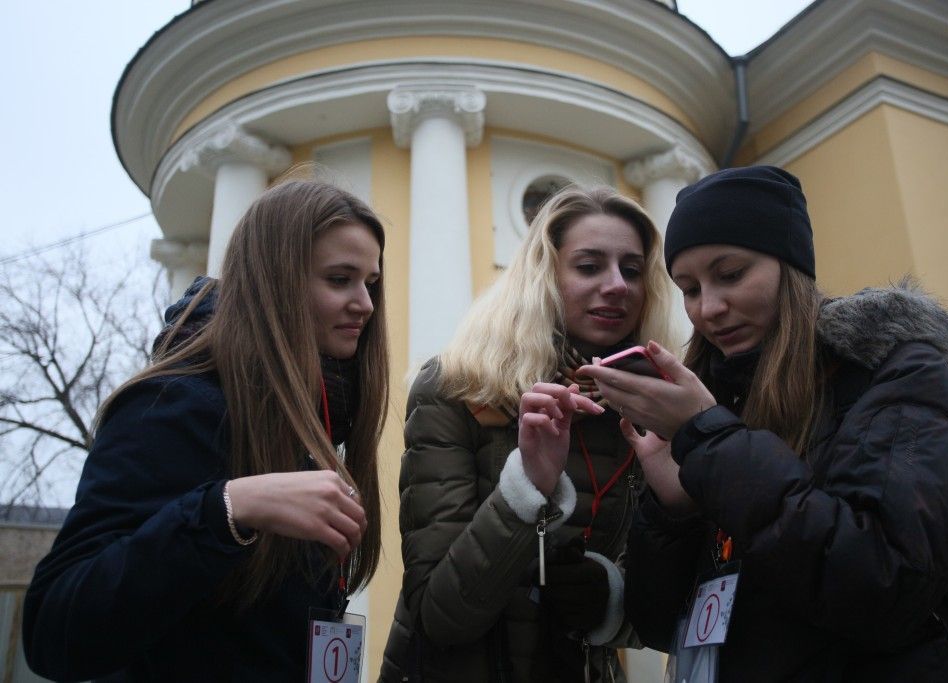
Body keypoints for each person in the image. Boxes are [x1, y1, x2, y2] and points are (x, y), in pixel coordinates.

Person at [576, 166, 948, 681]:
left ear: (790, 266)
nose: (708, 308)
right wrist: (675, 509)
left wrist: (708, 436)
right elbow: (662, 627)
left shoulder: (901, 381)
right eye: (688, 288)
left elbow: (880, 588)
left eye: (730, 274)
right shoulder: (719, 400)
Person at [22, 179, 390, 681]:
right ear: (275, 282)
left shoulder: (317, 417)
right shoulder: (174, 404)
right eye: (339, 279)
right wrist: (227, 509)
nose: (365, 304)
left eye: (370, 282)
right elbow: (55, 631)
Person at [379, 185, 684, 682]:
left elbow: (667, 614)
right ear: (544, 276)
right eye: (589, 266)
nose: (618, 286)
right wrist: (526, 491)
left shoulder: (652, 411)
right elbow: (441, 616)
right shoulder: (457, 388)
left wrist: (607, 598)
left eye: (632, 270)